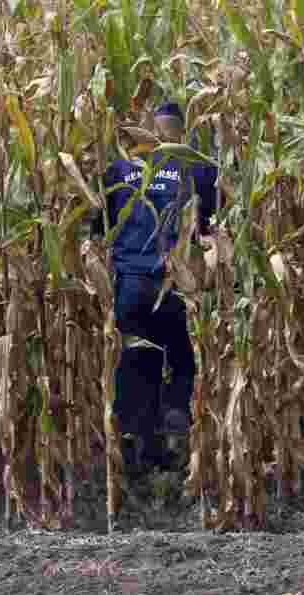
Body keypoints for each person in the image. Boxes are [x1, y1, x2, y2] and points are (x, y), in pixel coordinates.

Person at [101, 102, 217, 475]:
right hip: (177, 286)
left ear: (150, 131)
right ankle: (176, 419)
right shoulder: (198, 169)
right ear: (181, 134)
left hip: (131, 285)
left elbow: (99, 228)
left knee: (139, 364)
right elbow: (212, 229)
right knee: (185, 358)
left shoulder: (120, 170)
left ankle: (141, 453)